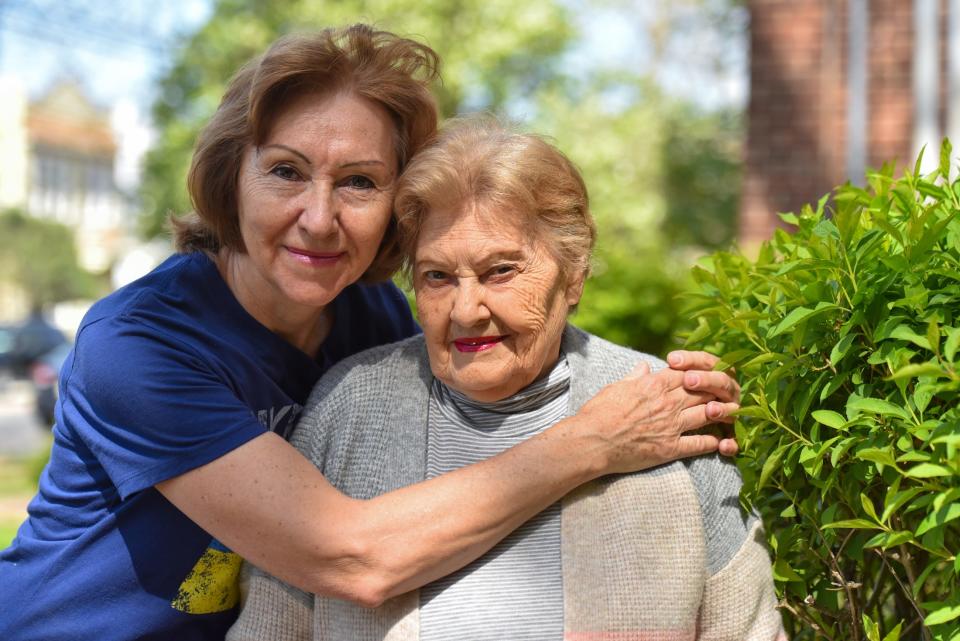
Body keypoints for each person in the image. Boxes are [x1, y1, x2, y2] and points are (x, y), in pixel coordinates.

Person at [0, 26, 741, 641]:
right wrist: (595, 438)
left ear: (396, 203)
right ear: (232, 178)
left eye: (358, 182)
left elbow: (518, 330)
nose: (320, 218)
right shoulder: (140, 347)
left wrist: (660, 391)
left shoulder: (371, 319)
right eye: (286, 171)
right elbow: (352, 556)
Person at [229, 117, 784, 641]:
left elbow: (746, 627)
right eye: (437, 277)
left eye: (500, 271)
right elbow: (271, 627)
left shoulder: (663, 410)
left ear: (573, 275)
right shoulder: (349, 408)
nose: (467, 310)